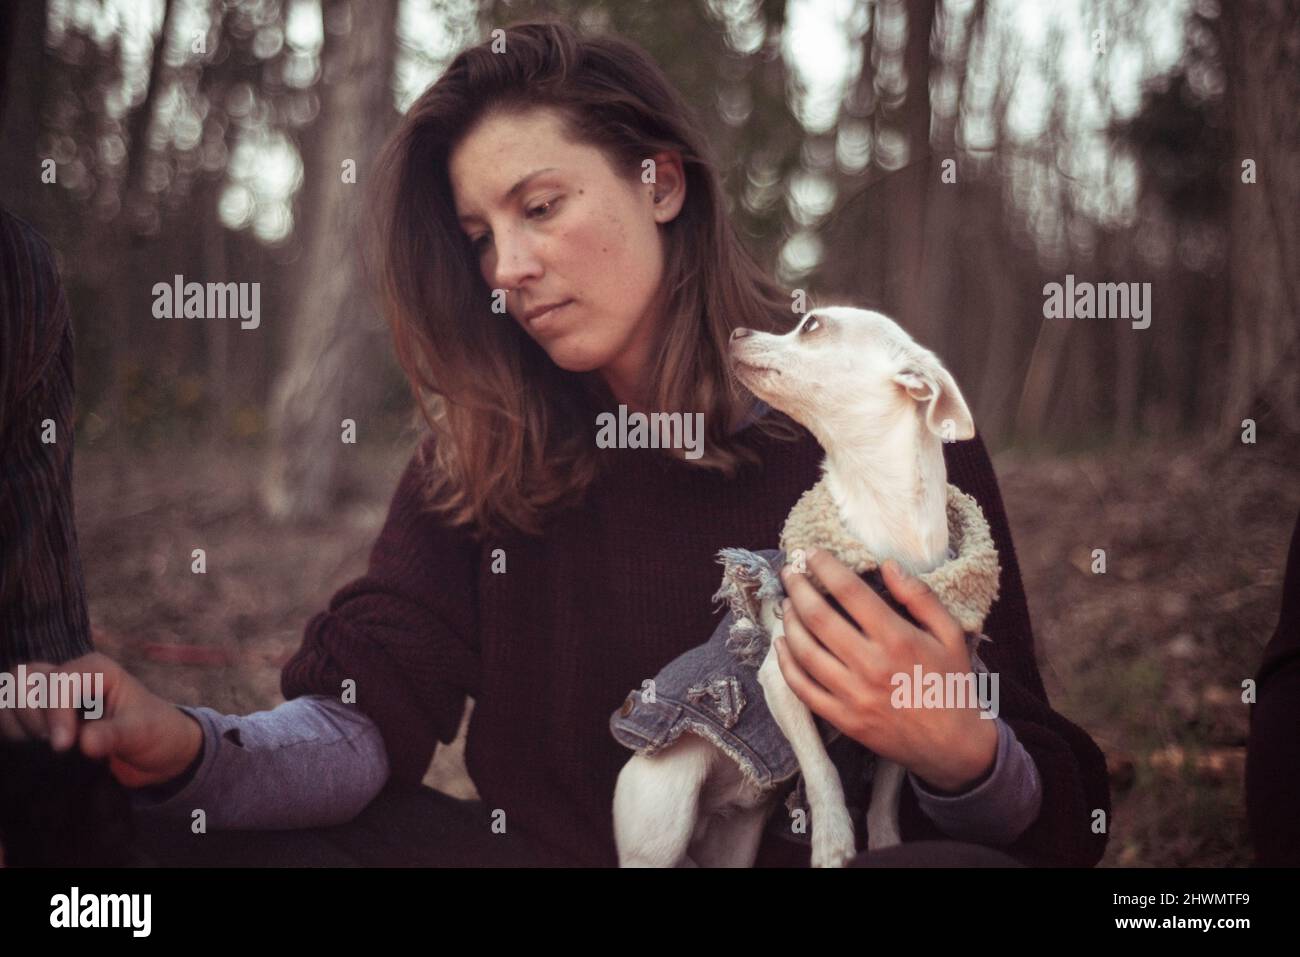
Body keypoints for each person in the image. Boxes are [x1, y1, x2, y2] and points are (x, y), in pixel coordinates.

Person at [19, 19, 1109, 868]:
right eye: (480, 235)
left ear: (661, 183)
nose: (506, 268)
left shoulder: (867, 415)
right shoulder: (487, 451)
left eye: (540, 206)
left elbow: (1060, 810)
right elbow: (364, 727)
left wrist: (962, 751)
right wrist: (193, 749)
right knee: (160, 853)